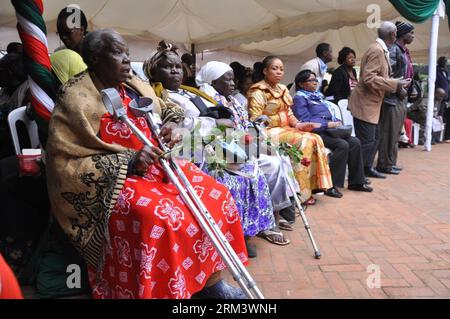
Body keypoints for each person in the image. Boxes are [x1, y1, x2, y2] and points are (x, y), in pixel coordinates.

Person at [45, 29, 248, 299]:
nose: (127, 61)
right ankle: (161, 291)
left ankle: (210, 282)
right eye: (118, 54)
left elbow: (168, 109)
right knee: (161, 217)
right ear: (94, 58)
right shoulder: (75, 98)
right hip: (117, 179)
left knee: (218, 196)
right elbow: (64, 160)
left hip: (158, 167)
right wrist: (128, 160)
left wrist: (172, 125)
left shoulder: (133, 84)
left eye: (128, 54)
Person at [144, 44, 289, 254]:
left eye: (177, 66)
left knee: (257, 165)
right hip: (191, 152)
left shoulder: (188, 91)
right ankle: (236, 235)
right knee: (240, 175)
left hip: (218, 144)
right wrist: (218, 124)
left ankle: (249, 229)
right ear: (154, 71)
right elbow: (177, 128)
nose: (175, 71)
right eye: (168, 67)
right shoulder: (158, 97)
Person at [248, 55, 334, 204]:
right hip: (266, 132)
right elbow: (255, 119)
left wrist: (298, 125)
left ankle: (314, 187)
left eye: (281, 69)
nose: (279, 72)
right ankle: (300, 193)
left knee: (315, 138)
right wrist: (278, 123)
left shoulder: (282, 89)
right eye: (274, 69)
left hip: (284, 129)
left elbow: (289, 113)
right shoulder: (258, 91)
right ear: (265, 71)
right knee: (303, 141)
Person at [292, 70, 373, 196]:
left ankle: (356, 182)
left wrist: (336, 121)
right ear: (301, 84)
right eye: (311, 80)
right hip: (315, 133)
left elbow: (328, 114)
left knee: (355, 142)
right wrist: (326, 124)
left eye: (315, 80)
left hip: (329, 130)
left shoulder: (317, 96)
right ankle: (330, 185)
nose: (315, 82)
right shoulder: (299, 99)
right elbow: (305, 121)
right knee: (342, 145)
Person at [348, 21, 410, 180]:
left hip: (373, 104)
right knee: (367, 142)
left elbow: (378, 76)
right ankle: (357, 177)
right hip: (365, 104)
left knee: (375, 139)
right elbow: (369, 78)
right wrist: (394, 84)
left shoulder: (381, 49)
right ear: (393, 34)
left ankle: (367, 169)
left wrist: (397, 83)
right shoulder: (376, 50)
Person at [376, 21, 415, 175]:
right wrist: (398, 88)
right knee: (388, 132)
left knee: (396, 132)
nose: (412, 36)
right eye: (410, 33)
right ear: (401, 34)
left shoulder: (404, 51)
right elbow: (388, 74)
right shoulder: (393, 50)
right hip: (392, 97)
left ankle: (390, 162)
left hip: (401, 96)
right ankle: (384, 164)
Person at [436, 56, 450, 142]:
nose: (445, 63)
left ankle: (440, 136)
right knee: (437, 115)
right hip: (438, 96)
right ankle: (436, 137)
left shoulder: (446, 72)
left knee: (442, 117)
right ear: (439, 62)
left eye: (446, 62)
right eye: (444, 61)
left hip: (445, 97)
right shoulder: (436, 70)